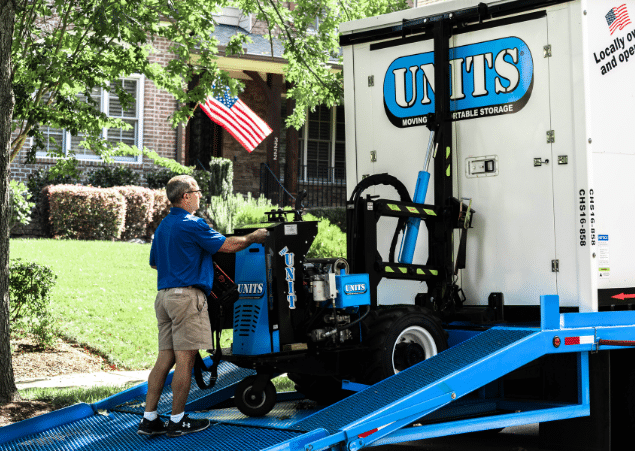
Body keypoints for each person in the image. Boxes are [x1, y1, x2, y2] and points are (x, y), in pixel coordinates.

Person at [137, 175, 267, 438]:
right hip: (186, 299)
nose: (199, 196)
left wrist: (182, 261)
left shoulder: (163, 227)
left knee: (165, 359)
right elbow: (227, 245)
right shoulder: (192, 224)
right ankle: (177, 421)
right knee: (185, 360)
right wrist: (254, 236)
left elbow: (154, 263)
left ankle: (149, 419)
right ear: (185, 196)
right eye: (196, 192)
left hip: (163, 298)